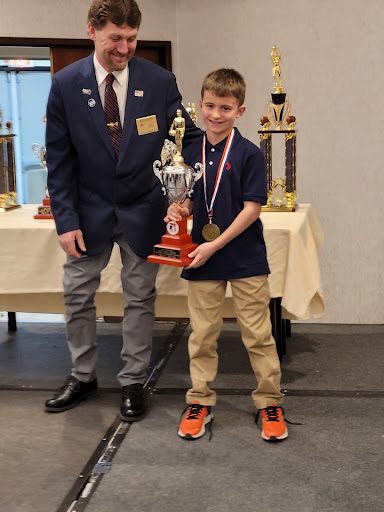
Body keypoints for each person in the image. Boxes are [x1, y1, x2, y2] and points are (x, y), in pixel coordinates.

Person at [44, 0, 200, 421]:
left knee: (139, 298)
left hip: (143, 209)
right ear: (92, 31)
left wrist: (218, 161)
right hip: (87, 211)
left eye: (131, 38)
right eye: (116, 38)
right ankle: (83, 375)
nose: (125, 47)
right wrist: (66, 220)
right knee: (77, 295)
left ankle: (133, 381)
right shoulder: (64, 85)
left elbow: (188, 136)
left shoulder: (160, 80)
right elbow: (58, 161)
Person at [165, 68, 288, 442]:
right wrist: (179, 209)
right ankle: (199, 399)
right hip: (202, 259)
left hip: (243, 256)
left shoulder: (250, 154)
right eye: (210, 106)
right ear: (200, 105)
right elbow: (187, 199)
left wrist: (214, 245)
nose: (216, 114)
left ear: (241, 110)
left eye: (226, 108)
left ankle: (269, 401)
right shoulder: (187, 152)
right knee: (202, 334)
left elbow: (252, 210)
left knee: (258, 334)